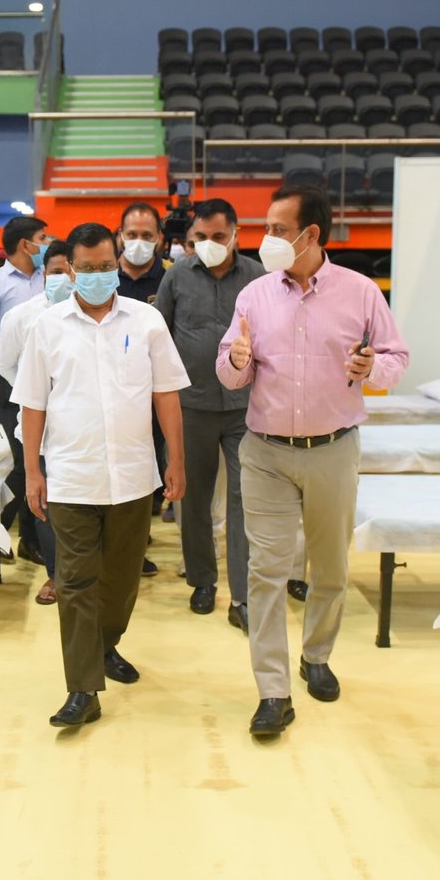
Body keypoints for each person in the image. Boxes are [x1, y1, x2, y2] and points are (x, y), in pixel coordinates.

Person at [216, 186, 409, 738]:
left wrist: (372, 369)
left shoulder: (360, 292)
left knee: (330, 567)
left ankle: (316, 655)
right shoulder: (254, 295)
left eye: (278, 230)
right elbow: (228, 370)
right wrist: (237, 359)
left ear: (312, 234)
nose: (267, 239)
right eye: (267, 228)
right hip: (265, 453)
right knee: (266, 572)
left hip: (333, 450)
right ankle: (272, 690)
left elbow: (395, 357)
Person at [13, 222, 189, 728]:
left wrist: (176, 460)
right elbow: (32, 404)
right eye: (87, 268)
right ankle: (82, 688)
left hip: (133, 476)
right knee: (74, 581)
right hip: (72, 474)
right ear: (70, 269)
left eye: (106, 266)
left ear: (118, 264)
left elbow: (166, 395)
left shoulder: (147, 320)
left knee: (122, 578)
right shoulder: (47, 327)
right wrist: (33, 472)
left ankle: (105, 644)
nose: (97, 275)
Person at [155, 197, 265, 632]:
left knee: (244, 500)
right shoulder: (178, 276)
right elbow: (159, 336)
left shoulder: (258, 277)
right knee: (193, 498)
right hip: (191, 406)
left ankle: (242, 596)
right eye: (200, 236)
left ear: (236, 234)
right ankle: (202, 580)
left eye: (219, 236)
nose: (209, 244)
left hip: (245, 408)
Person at [0, 215, 57, 561]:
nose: (47, 242)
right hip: (10, 384)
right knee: (25, 462)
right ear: (25, 244)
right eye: (43, 237)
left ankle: (28, 539)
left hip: (45, 385)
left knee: (40, 460)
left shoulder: (50, 277)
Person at [0, 241, 72, 605]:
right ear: (43, 274)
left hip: (83, 428)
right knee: (46, 504)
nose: (65, 278)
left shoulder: (92, 316)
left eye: (71, 271)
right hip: (39, 425)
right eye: (56, 272)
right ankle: (56, 575)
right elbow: (4, 364)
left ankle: (89, 572)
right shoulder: (22, 317)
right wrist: (36, 392)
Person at [116, 201, 170, 545]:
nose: (139, 241)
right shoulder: (103, 278)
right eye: (132, 234)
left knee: (156, 464)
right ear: (120, 236)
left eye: (147, 235)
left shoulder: (172, 277)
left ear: (159, 238)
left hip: (159, 391)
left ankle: (139, 536)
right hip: (115, 392)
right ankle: (128, 541)